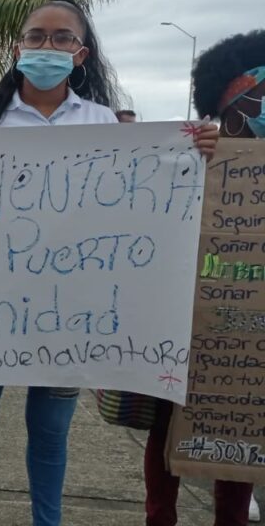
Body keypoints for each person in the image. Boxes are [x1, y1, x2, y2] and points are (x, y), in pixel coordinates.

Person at [0, 0, 218, 526]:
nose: (48, 46)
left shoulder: (101, 121)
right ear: (17, 47)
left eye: (62, 38)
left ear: (82, 53)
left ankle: (47, 521)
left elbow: (138, 197)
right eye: (37, 36)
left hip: (69, 314)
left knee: (51, 433)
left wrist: (199, 149)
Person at [140, 29, 265, 526]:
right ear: (227, 102)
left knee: (240, 428)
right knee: (168, 427)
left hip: (247, 333)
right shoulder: (192, 157)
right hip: (182, 321)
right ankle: (159, 517)